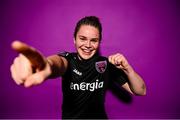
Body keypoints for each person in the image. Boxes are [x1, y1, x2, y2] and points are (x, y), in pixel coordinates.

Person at [10, 16, 146, 119]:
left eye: (93, 40)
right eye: (82, 38)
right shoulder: (68, 59)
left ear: (99, 43)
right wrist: (47, 65)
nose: (87, 45)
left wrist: (128, 69)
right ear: (74, 39)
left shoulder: (105, 64)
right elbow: (58, 63)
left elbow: (140, 91)